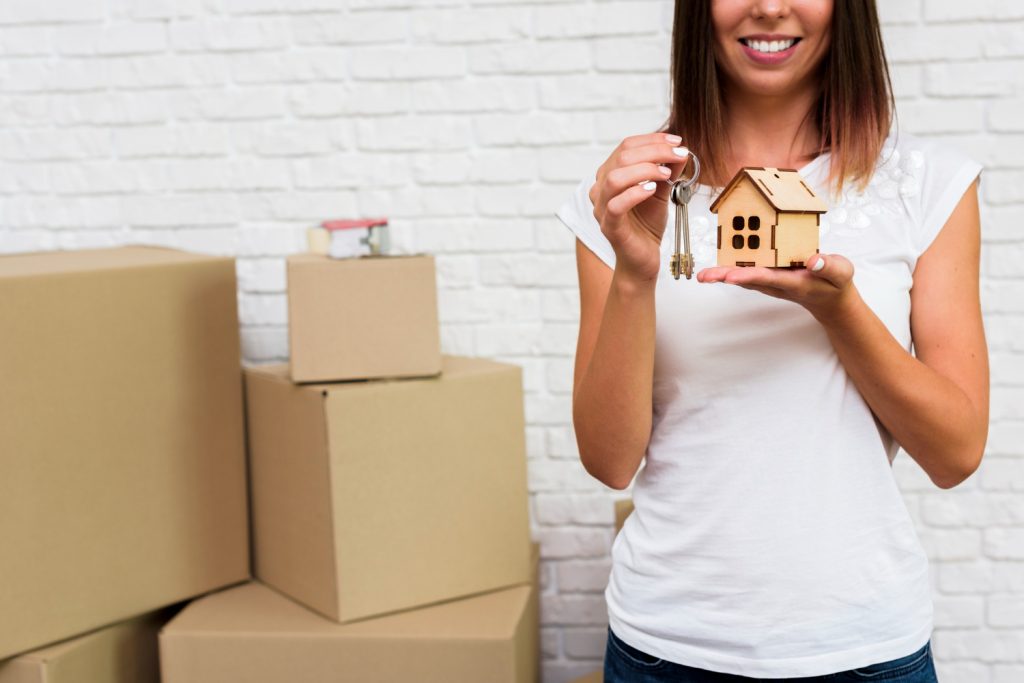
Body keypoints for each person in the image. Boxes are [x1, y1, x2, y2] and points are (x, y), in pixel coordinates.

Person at [554, 1, 989, 681]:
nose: (768, 6)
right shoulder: (628, 194)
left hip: (863, 646)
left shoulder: (928, 186)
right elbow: (610, 461)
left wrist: (840, 312)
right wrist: (637, 273)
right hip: (668, 646)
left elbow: (956, 452)